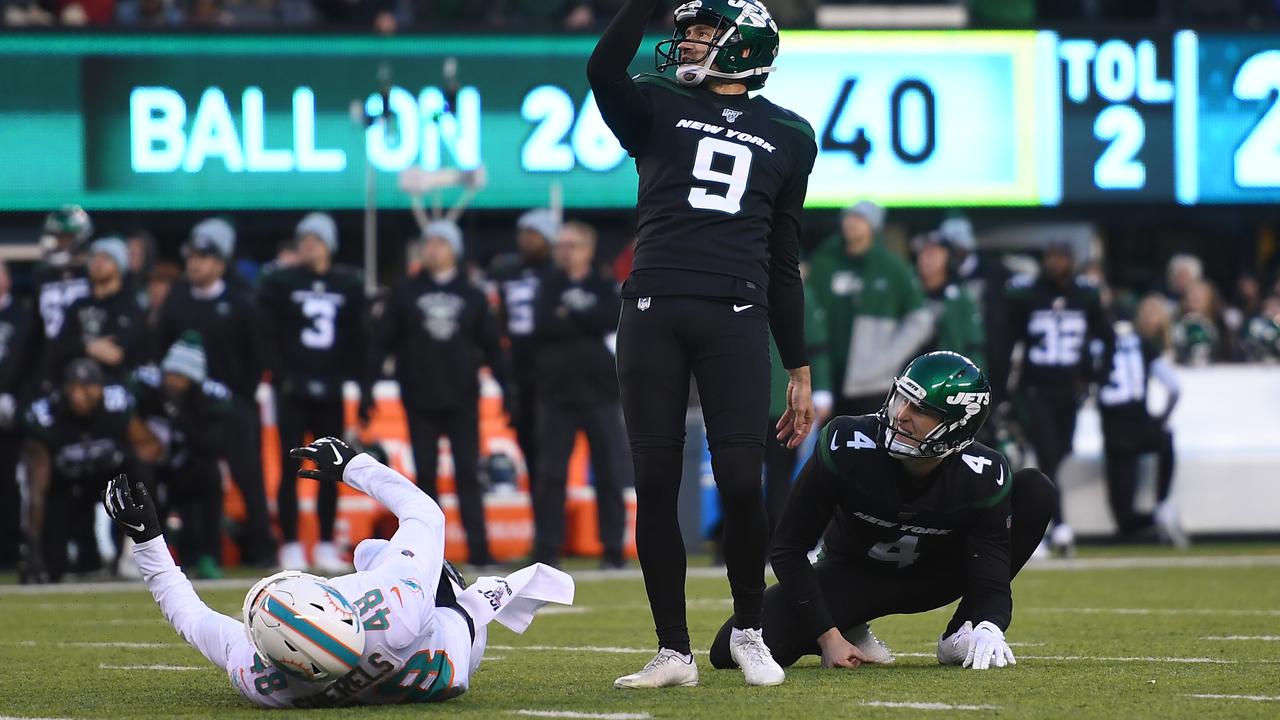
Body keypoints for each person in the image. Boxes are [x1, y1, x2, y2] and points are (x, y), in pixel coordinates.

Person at [589, 0, 816, 688]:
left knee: (743, 482)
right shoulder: (655, 104)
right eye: (684, 29)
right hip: (652, 308)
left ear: (744, 48)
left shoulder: (790, 134)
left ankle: (749, 628)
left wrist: (799, 365)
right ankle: (673, 651)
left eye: (701, 31)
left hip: (738, 313)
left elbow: (783, 258)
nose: (686, 41)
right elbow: (603, 67)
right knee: (655, 485)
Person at [100, 436, 574, 708]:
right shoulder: (394, 607)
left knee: (374, 552)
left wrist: (147, 539)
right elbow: (426, 514)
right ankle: (455, 590)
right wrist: (353, 466)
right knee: (380, 553)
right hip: (450, 649)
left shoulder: (266, 683)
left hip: (419, 673)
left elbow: (188, 614)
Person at [710, 351, 1055, 672]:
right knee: (726, 651)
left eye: (921, 409)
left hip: (936, 576)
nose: (902, 414)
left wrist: (988, 622)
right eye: (903, 397)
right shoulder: (849, 444)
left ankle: (961, 632)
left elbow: (993, 570)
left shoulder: (981, 474)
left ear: (958, 426)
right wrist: (828, 636)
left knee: (1035, 491)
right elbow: (788, 548)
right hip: (855, 575)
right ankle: (850, 625)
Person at [380, 220, 509, 568]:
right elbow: (383, 341)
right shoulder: (405, 291)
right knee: (424, 480)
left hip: (463, 396)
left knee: (468, 472)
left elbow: (491, 345)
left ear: (454, 249)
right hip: (419, 396)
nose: (433, 249)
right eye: (429, 243)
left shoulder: (472, 294)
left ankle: (480, 550)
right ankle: (424, 556)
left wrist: (507, 387)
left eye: (441, 243)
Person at [156, 217, 276, 567]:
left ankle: (263, 549)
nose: (194, 263)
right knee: (192, 478)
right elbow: (160, 350)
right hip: (188, 410)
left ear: (220, 262)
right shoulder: (177, 302)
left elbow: (257, 354)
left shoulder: (241, 302)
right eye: (191, 257)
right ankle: (195, 552)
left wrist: (242, 395)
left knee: (248, 477)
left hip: (232, 407)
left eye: (203, 257)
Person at [259, 212, 370, 573]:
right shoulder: (282, 281)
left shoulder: (347, 283)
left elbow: (359, 337)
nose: (308, 245)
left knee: (330, 468)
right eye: (303, 239)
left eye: (315, 240)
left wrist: (355, 381)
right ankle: (290, 543)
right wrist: (281, 374)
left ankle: (324, 541)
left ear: (329, 245)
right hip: (292, 388)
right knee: (291, 466)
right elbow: (268, 333)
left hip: (330, 388)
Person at [529, 220, 629, 569]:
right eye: (561, 245)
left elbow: (611, 318)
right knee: (551, 474)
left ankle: (613, 548)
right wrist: (582, 319)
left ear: (588, 248)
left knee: (609, 472)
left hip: (599, 391)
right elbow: (542, 322)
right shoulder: (547, 284)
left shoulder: (603, 283)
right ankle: (547, 549)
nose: (564, 251)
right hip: (556, 393)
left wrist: (569, 316)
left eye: (572, 245)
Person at [1005, 240, 1112, 557]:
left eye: (1061, 258)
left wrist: (1095, 376)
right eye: (1051, 257)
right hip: (1035, 389)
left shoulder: (1086, 295)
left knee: (1060, 453)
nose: (1055, 264)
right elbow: (1007, 339)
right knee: (1049, 457)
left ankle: (1040, 523)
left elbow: (1106, 337)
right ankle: (1059, 528)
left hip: (1069, 390)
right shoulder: (1027, 294)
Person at [19, 358, 161, 583]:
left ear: (101, 388)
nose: (78, 394)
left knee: (140, 473)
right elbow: (36, 488)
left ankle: (133, 552)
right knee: (51, 567)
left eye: (86, 387)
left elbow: (152, 446)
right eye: (73, 387)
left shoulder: (117, 404)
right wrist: (32, 546)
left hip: (110, 480)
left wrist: (124, 456)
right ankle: (58, 556)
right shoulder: (46, 415)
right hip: (67, 486)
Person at [806, 201, 933, 417]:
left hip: (871, 382)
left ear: (873, 226)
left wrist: (888, 358)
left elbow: (920, 320)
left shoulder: (891, 266)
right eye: (849, 217)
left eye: (860, 219)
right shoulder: (825, 260)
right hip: (824, 374)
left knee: (869, 443)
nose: (852, 224)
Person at [131, 334, 233, 578]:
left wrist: (180, 417)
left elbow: (212, 445)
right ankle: (140, 556)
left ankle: (208, 555)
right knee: (138, 477)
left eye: (180, 376)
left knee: (210, 475)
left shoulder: (205, 400)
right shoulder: (146, 391)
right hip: (152, 467)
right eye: (170, 374)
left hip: (187, 468)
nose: (172, 381)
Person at [1096, 296, 1184, 546]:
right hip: (1142, 423)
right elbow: (1175, 387)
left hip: (1115, 432)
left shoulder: (1098, 344)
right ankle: (1163, 505)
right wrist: (1162, 418)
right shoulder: (1143, 344)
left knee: (1124, 519)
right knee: (1166, 438)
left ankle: (1157, 516)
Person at [490, 208, 558, 488]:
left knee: (551, 452)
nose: (527, 240)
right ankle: (542, 525)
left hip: (551, 370)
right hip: (519, 368)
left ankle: (553, 524)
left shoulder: (558, 274)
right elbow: (499, 320)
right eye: (524, 234)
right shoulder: (508, 272)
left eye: (534, 234)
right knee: (528, 445)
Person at [51, 236, 146, 384]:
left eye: (106, 258)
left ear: (119, 266)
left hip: (113, 384)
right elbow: (58, 347)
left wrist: (78, 346)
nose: (98, 263)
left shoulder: (129, 306)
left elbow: (115, 355)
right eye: (95, 257)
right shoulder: (78, 304)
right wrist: (88, 347)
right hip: (73, 386)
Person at [32, 205, 93, 390]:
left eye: (64, 237)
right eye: (56, 236)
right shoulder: (43, 275)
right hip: (50, 361)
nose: (57, 243)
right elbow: (35, 327)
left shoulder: (92, 274)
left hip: (86, 361)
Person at [0, 261, 33, 568]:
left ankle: (9, 550)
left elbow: (26, 362)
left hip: (9, 412)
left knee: (10, 482)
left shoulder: (20, 315)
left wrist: (13, 396)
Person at [914, 232, 986, 370]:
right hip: (907, 375)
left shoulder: (960, 298)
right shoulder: (909, 291)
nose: (927, 259)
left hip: (945, 375)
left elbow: (973, 344)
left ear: (948, 258)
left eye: (934, 253)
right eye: (924, 253)